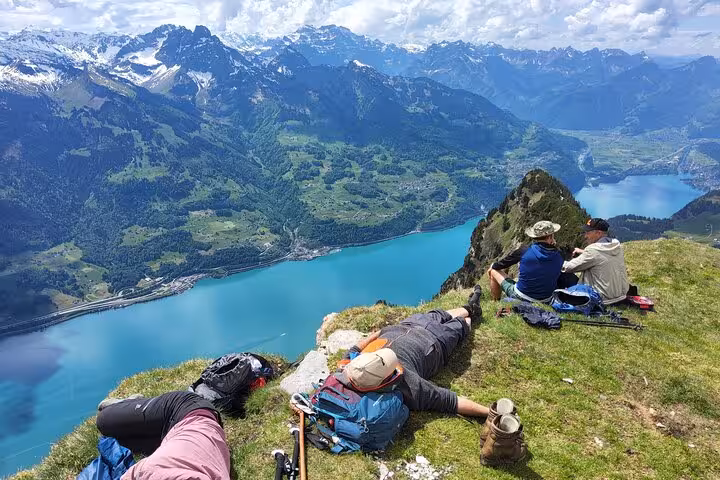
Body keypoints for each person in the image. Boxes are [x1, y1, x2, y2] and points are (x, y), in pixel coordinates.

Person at [338, 287, 490, 417]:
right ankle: (472, 312)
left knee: (440, 314)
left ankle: (470, 306)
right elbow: (450, 401)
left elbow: (356, 348)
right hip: (435, 341)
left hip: (407, 325)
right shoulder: (408, 384)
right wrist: (489, 412)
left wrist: (382, 331)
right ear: (384, 380)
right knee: (463, 324)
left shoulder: (350, 367)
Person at [96, 391, 231, 480]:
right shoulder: (154, 474)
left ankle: (134, 415)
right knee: (104, 421)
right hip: (185, 409)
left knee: (117, 442)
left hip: (181, 435)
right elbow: (141, 472)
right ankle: (131, 404)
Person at [487, 220, 565, 303]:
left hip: (522, 296)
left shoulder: (524, 251)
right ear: (550, 237)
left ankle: (496, 302)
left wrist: (493, 265)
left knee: (493, 271)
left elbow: (499, 265)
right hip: (546, 299)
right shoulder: (559, 255)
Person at [562, 218, 630, 305]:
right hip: (621, 296)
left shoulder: (593, 250)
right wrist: (583, 252)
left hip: (603, 299)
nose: (585, 236)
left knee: (565, 276)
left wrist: (555, 261)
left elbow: (568, 268)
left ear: (599, 233)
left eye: (588, 232)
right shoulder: (616, 245)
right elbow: (601, 256)